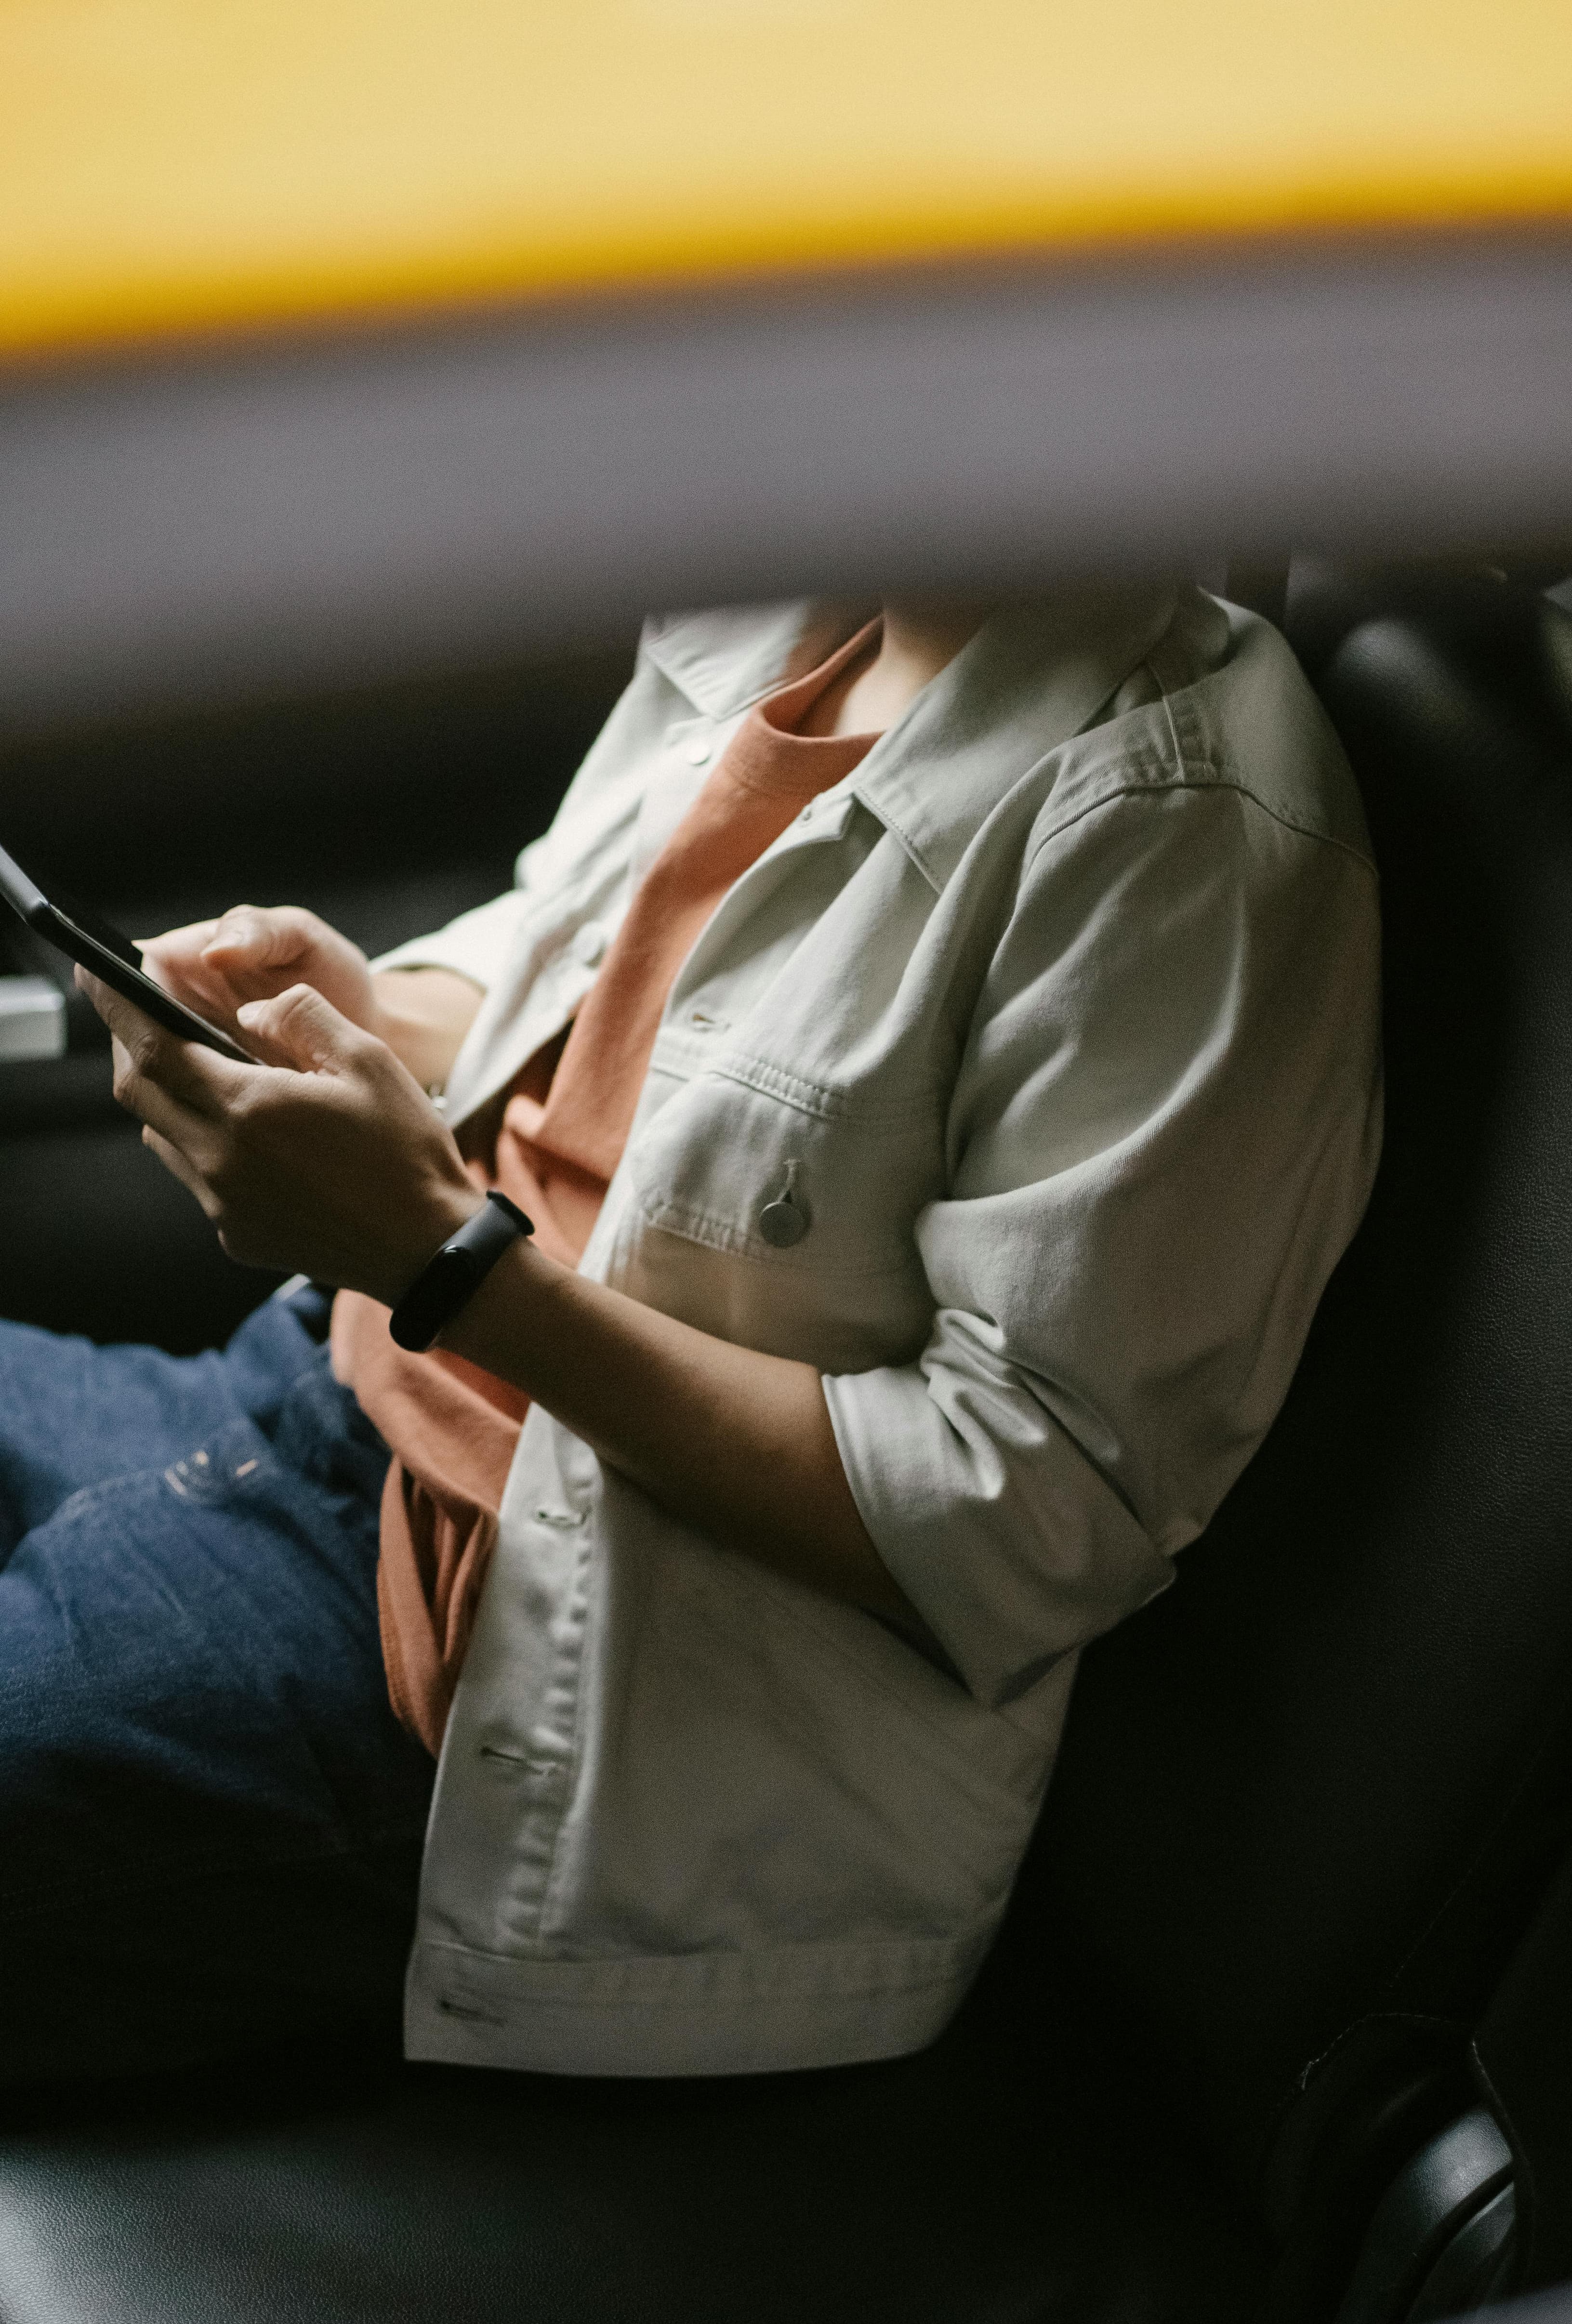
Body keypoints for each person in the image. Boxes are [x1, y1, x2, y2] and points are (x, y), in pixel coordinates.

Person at [3, 586, 1380, 2085]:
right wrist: (365, 1016)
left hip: (505, 1675)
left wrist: (442, 1266)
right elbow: (601, 990)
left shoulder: (1181, 824)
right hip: (318, 1405)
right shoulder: (800, 604)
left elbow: (1020, 1516)